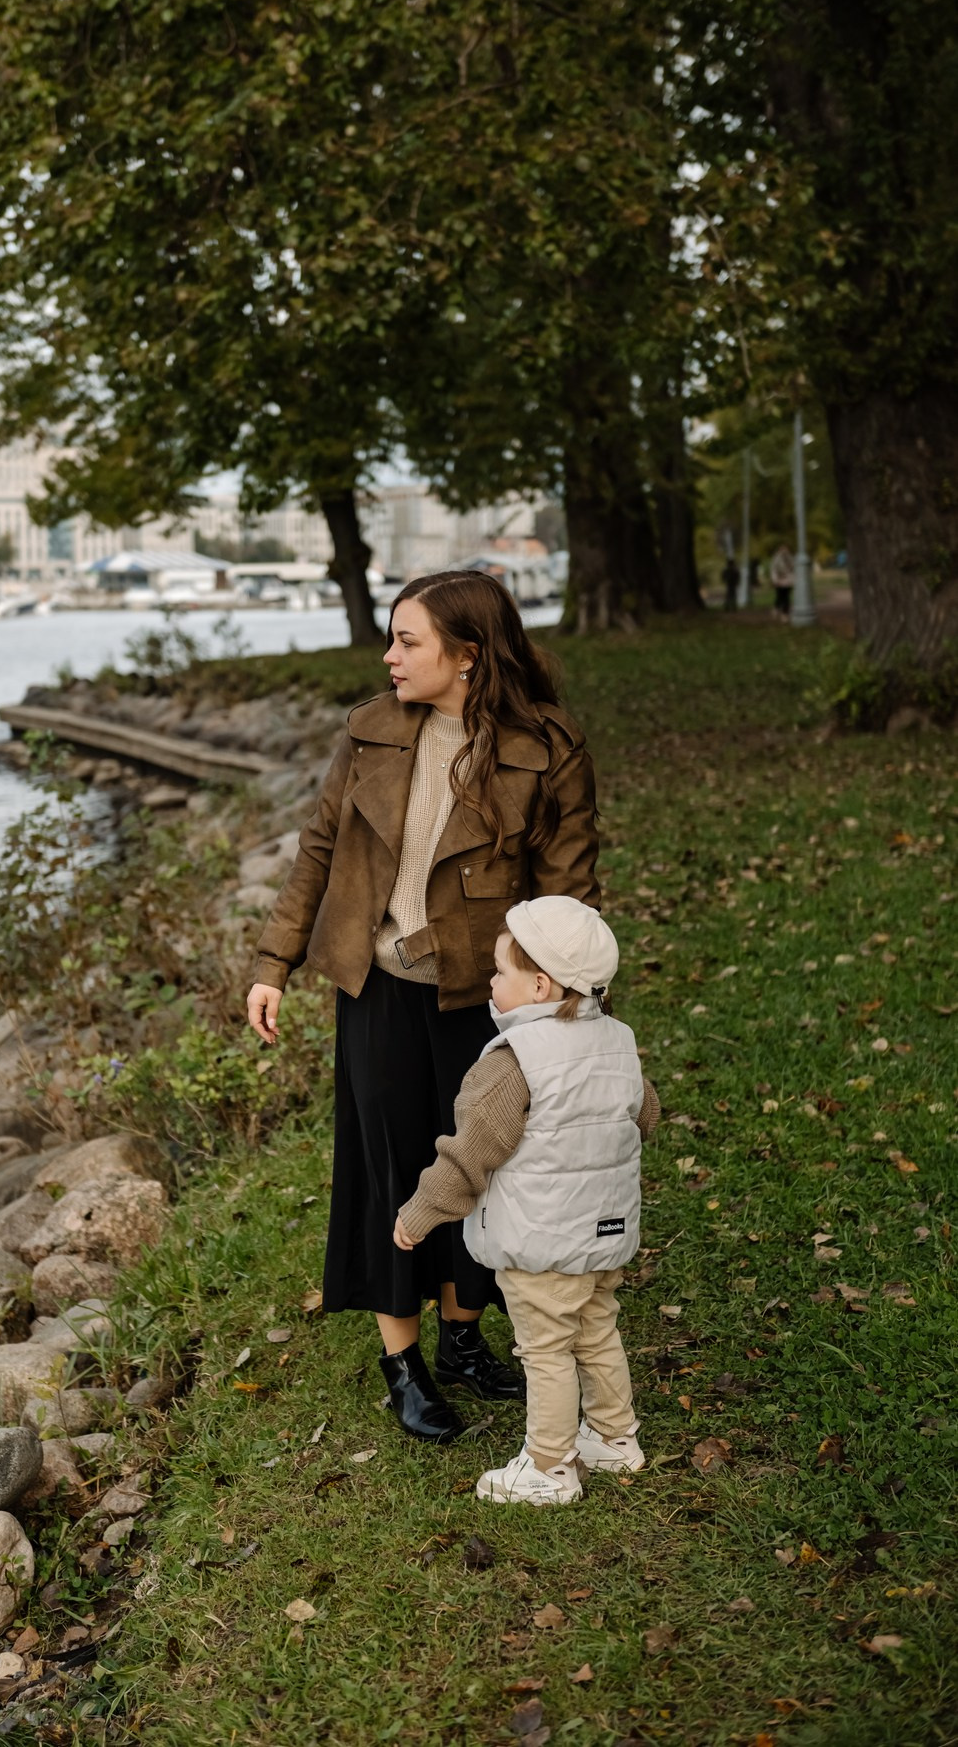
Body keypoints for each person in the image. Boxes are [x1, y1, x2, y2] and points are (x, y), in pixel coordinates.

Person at [247, 571, 600, 1443]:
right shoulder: (370, 729)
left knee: (482, 1166)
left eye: (408, 641)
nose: (388, 655)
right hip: (374, 989)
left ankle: (464, 1340)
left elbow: (570, 895)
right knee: (390, 1170)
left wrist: (574, 1008)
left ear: (467, 657)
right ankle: (401, 1363)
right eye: (393, 639)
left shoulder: (547, 748)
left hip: (488, 998)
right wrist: (273, 963)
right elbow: (320, 850)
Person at [393, 897, 659, 1503]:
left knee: (545, 1350)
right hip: (606, 1231)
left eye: (499, 972)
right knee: (596, 1332)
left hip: (543, 1241)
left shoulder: (514, 1063)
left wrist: (420, 1213)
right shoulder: (617, 1041)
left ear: (540, 984)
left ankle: (549, 1466)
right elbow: (646, 1114)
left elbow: (469, 1154)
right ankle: (617, 1440)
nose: (490, 982)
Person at [769, 545, 795, 620]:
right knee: (780, 596)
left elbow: (792, 570)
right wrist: (775, 580)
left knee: (786, 597)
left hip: (788, 580)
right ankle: (777, 608)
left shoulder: (790, 558)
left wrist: (792, 580)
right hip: (779, 580)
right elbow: (773, 570)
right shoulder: (776, 559)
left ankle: (785, 614)